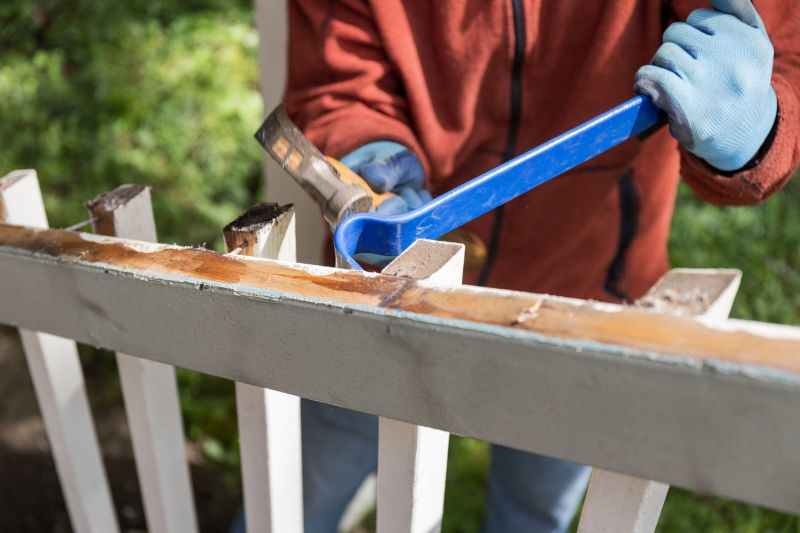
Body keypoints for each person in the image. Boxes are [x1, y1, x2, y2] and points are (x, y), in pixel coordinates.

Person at [284, 1, 800, 531]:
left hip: (582, 301)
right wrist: (369, 155)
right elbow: (336, 83)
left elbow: (786, 56)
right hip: (390, 301)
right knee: (301, 493)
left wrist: (757, 130)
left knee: (532, 510)